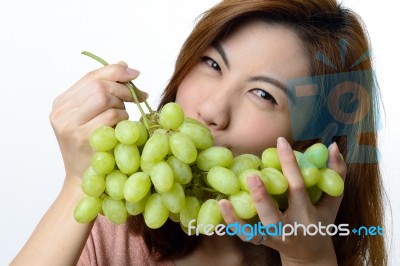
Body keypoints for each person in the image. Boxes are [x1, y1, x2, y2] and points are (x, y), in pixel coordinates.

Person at [11, 0, 387, 265]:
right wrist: (78, 182)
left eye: (262, 93)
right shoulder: (114, 224)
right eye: (212, 63)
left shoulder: (319, 255)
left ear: (312, 141)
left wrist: (308, 259)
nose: (211, 110)